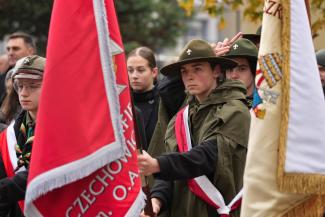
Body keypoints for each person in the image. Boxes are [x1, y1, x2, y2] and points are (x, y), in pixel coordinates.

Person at [138, 39, 250, 217]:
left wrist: (157, 164)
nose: (189, 76)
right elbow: (171, 169)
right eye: (184, 71)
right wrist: (157, 200)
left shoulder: (236, 111)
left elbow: (205, 157)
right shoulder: (181, 117)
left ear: (216, 71)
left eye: (197, 69)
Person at [0, 55, 45, 217]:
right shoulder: (11, 132)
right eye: (20, 86)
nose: (24, 93)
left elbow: (44, 173)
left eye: (33, 86)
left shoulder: (64, 128)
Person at [127, 47, 159, 150]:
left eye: (141, 70)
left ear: (154, 72)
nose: (134, 76)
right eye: (130, 70)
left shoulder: (165, 102)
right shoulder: (123, 104)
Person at [0, 32, 36, 107]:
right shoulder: (2, 78)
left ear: (30, 51)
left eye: (15, 49)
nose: (10, 53)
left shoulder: (41, 77)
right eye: (8, 49)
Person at [224, 38, 258, 108]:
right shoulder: (218, 104)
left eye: (242, 69)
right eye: (230, 69)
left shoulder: (265, 103)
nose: (234, 75)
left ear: (254, 70)